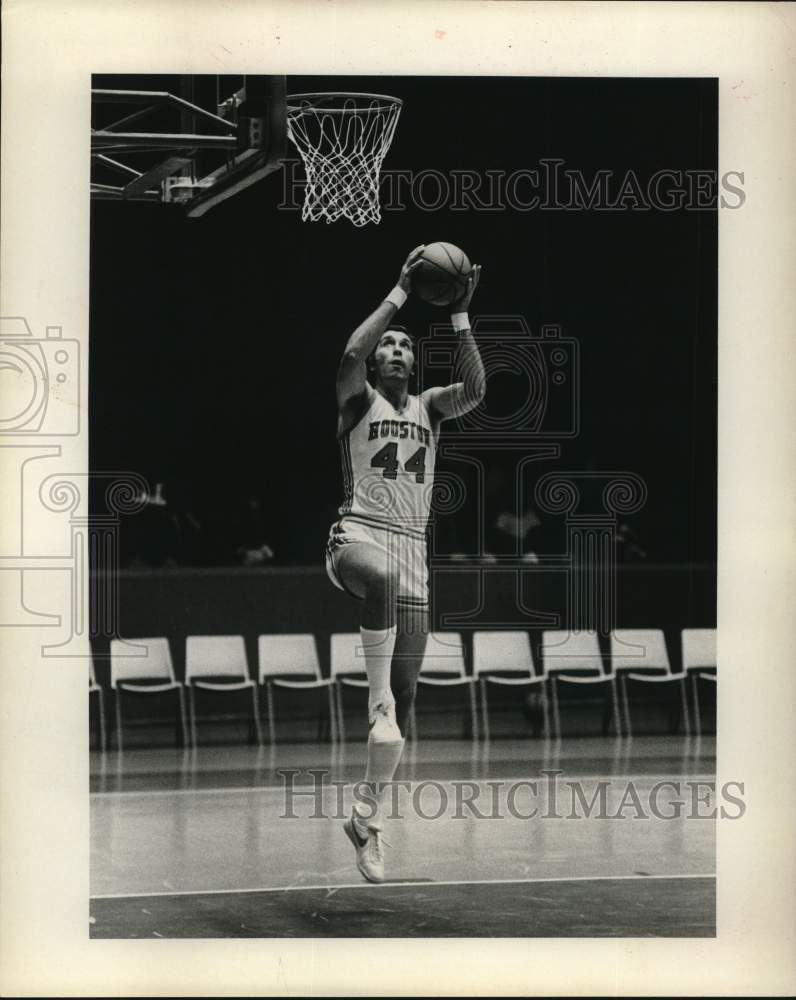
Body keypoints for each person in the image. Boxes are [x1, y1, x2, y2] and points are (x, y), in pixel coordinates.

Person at [326, 245, 486, 882]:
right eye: (386, 345)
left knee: (410, 700)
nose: (391, 350)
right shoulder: (357, 401)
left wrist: (461, 317)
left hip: (415, 555)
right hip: (356, 537)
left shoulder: (431, 408)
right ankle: (375, 705)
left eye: (402, 346)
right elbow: (347, 355)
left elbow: (477, 389)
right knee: (383, 593)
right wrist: (398, 291)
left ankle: (367, 819)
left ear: (415, 363)